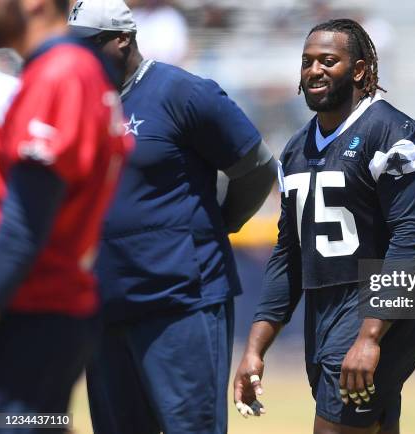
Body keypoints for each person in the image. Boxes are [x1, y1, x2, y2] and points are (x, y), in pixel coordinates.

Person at [68, 1, 276, 433]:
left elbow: (255, 168)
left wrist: (224, 221)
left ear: (122, 40)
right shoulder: (79, 103)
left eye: (88, 45)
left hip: (179, 302)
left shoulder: (182, 92)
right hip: (104, 306)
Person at [234, 18, 415, 434]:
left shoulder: (393, 132)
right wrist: (255, 349)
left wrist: (370, 335)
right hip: (326, 307)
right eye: (307, 61)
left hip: (381, 305)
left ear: (360, 70)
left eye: (328, 60)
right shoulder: (295, 148)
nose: (314, 70)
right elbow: (288, 254)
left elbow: (413, 238)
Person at [0, 0, 130, 430]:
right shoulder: (66, 70)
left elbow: (23, 229)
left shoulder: (61, 73)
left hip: (33, 309)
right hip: (46, 311)